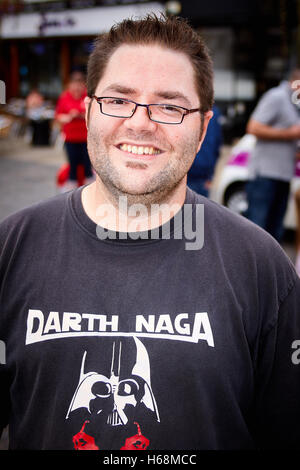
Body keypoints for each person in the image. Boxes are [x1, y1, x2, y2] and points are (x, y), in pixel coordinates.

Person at [0, 14, 300, 451]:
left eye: (170, 105)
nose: (141, 123)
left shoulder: (260, 265)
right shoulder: (12, 249)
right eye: (119, 100)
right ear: (88, 113)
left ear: (201, 130)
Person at [245, 70, 300, 242]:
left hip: (283, 175)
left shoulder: (294, 103)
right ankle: (248, 270)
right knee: (257, 232)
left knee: (275, 235)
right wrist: (289, 134)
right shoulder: (276, 97)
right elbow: (253, 127)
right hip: (265, 175)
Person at [55, 70, 94, 189]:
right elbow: (58, 116)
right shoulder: (64, 97)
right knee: (73, 164)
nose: (76, 87)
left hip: (86, 139)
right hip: (70, 139)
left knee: (88, 165)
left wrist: (82, 115)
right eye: (74, 84)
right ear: (69, 85)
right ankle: (71, 191)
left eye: (79, 84)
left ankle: (90, 189)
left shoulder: (88, 97)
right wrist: (69, 117)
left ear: (84, 85)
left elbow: (94, 115)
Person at [187, 104, 222, 197]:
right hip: (200, 173)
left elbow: (216, 145)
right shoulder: (214, 112)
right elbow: (217, 146)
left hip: (194, 173)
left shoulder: (188, 107)